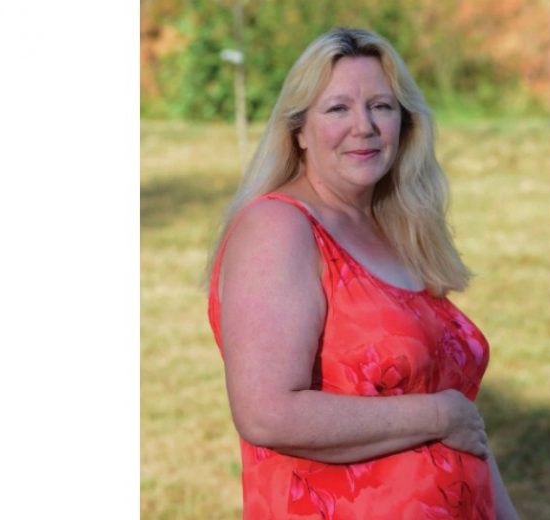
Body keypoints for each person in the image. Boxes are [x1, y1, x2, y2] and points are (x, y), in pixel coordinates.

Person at [207, 27, 520, 520]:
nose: (364, 126)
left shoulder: (395, 229)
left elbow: (466, 428)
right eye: (338, 109)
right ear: (299, 131)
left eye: (381, 106)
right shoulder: (279, 227)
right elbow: (267, 413)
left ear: (404, 122)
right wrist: (438, 414)